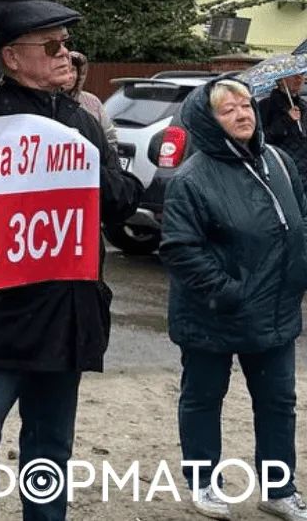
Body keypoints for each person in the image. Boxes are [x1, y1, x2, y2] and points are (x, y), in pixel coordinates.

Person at [0, 0, 143, 521]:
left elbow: (119, 203)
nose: (66, 56)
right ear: (11, 57)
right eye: (51, 46)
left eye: (67, 46)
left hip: (68, 310)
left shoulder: (83, 120)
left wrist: (84, 162)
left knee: (51, 449)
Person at [161, 78, 307, 521]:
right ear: (209, 120)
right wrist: (231, 293)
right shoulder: (191, 178)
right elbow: (180, 250)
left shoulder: (278, 161)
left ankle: (279, 489)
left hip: (276, 311)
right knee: (205, 398)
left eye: (245, 105)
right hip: (214, 314)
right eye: (229, 110)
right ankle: (205, 483)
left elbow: (298, 220)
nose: (243, 114)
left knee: (278, 401)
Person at [258, 71, 307, 185]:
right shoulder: (266, 106)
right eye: (294, 75)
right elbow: (262, 139)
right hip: (284, 170)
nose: (299, 78)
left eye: (301, 75)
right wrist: (287, 120)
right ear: (281, 81)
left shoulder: (303, 105)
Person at [66, 51, 117, 150]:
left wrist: (107, 162)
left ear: (80, 74)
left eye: (73, 70)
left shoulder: (92, 102)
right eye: (65, 70)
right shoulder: (49, 102)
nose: (70, 76)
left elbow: (109, 137)